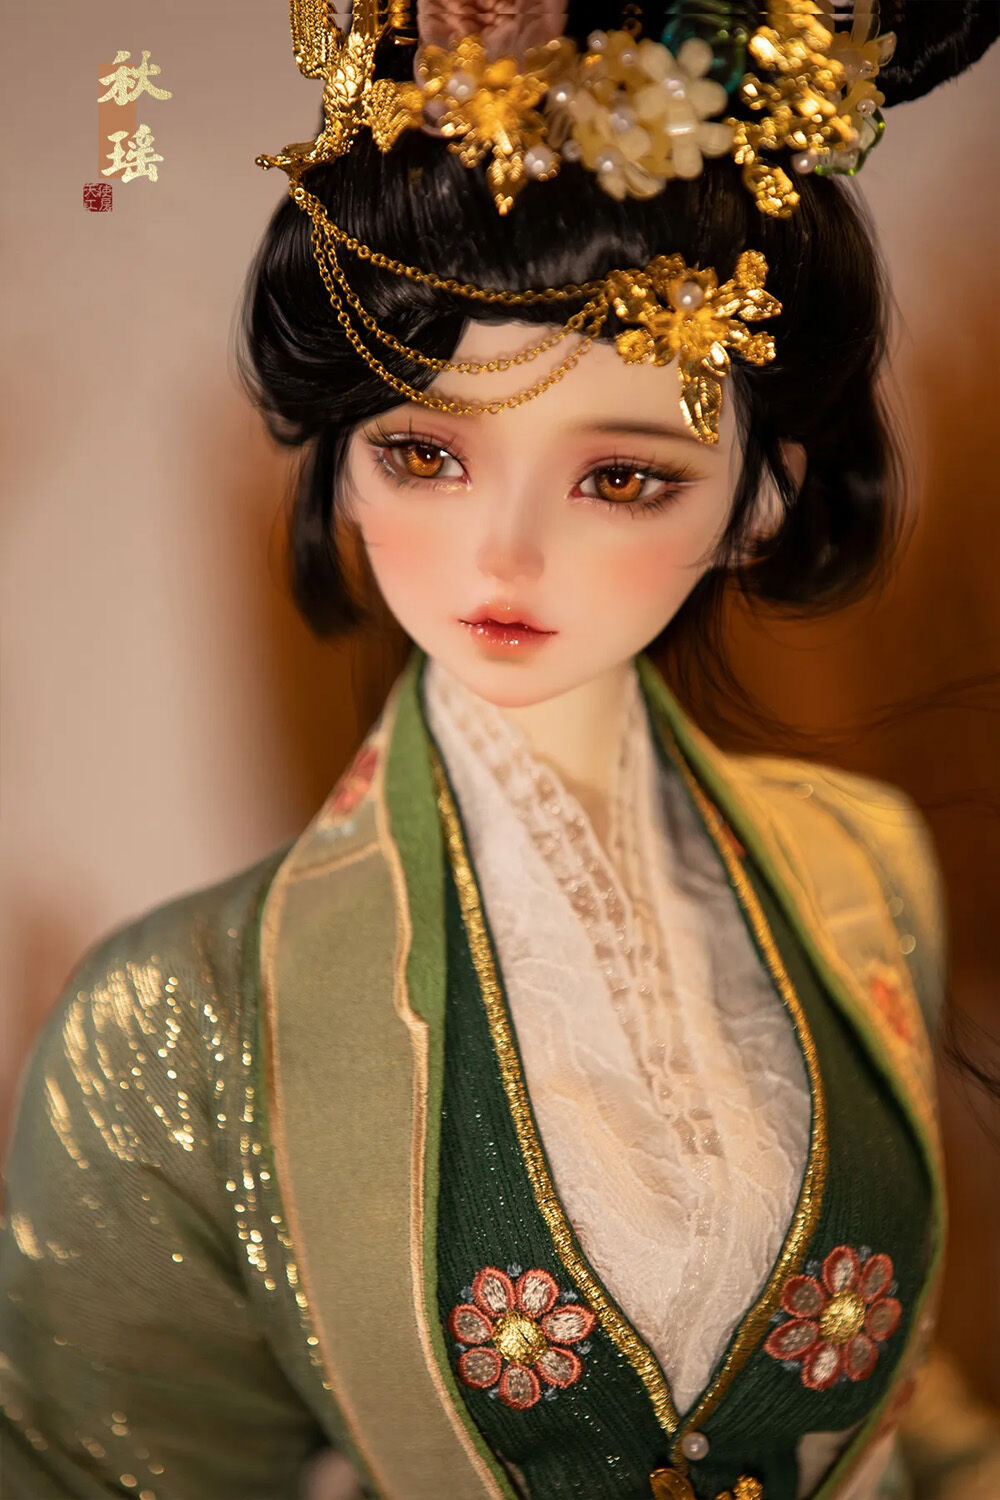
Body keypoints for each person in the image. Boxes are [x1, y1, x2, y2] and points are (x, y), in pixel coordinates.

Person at [1, 4, 998, 1498]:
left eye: (622, 477)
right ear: (341, 465)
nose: (505, 555)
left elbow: (911, 1401)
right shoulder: (179, 1018)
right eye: (425, 454)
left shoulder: (862, 866)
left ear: (763, 498)